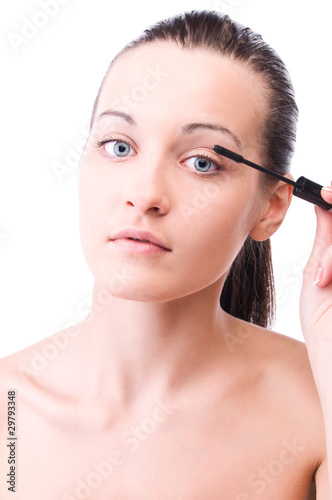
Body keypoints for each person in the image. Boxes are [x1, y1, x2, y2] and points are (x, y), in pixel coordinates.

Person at [1, 10, 331, 499]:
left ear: (271, 207)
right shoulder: (9, 411)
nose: (145, 194)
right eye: (118, 146)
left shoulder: (319, 408)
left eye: (202, 162)